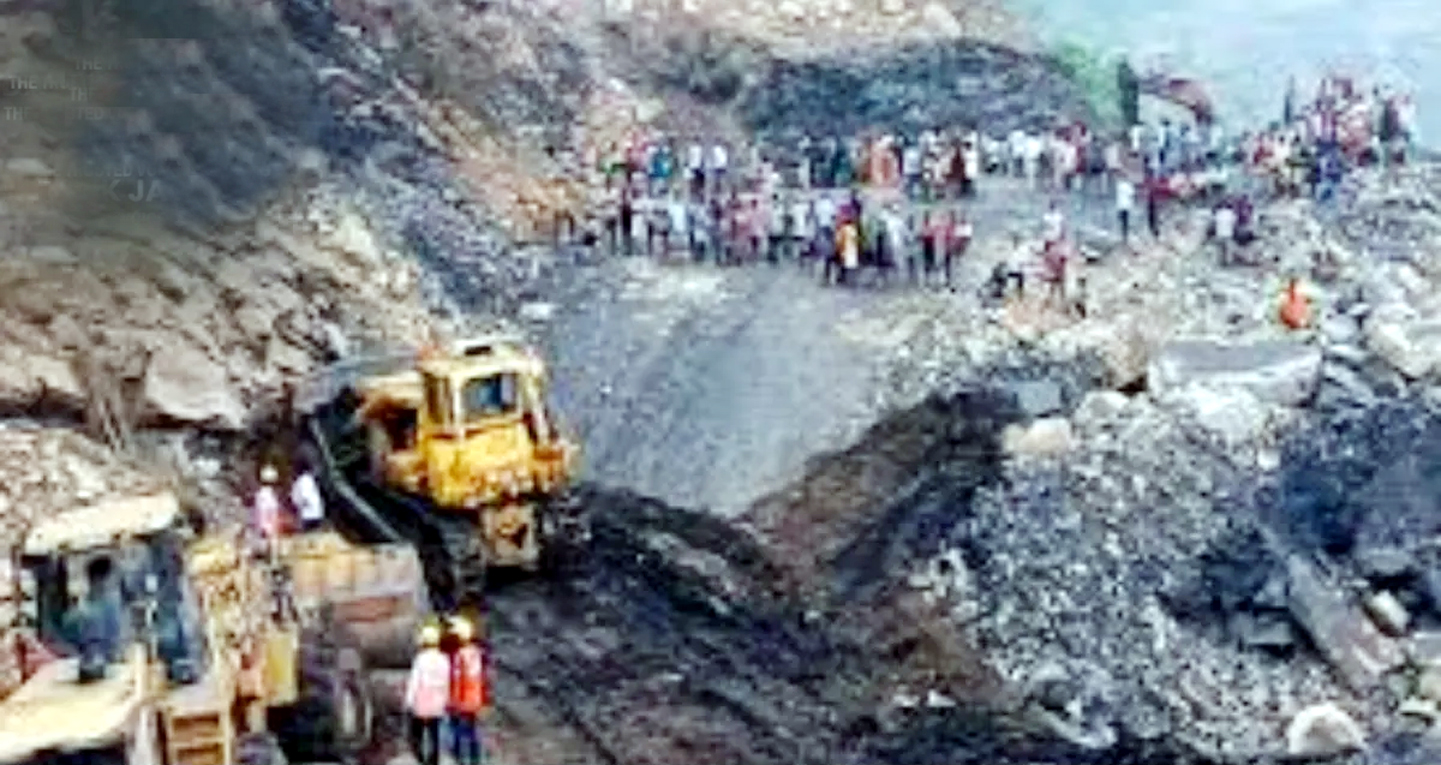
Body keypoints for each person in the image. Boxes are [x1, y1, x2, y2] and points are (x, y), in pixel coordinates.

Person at [65, 556, 124, 682]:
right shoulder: (85, 611)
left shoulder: (85, 608)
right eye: (112, 578)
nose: (114, 583)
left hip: (107, 664)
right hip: (99, 664)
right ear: (100, 579)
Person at [448, 616, 490, 765]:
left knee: (458, 729)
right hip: (475, 699)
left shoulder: (460, 656)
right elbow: (481, 678)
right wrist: (483, 699)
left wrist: (453, 701)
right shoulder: (477, 653)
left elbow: (458, 680)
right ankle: (475, 757)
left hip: (462, 699)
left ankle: (459, 757)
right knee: (473, 730)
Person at [406, 623, 450, 765]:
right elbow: (447, 681)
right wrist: (446, 700)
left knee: (417, 730)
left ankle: (420, 756)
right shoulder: (444, 659)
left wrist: (409, 700)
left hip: (422, 700)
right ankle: (433, 759)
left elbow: (415, 681)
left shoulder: (421, 659)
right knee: (434, 732)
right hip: (438, 700)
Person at [290, 460, 325, 532]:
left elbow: (305, 496)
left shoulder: (303, 480)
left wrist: (298, 504)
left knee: (308, 534)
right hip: (316, 513)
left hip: (307, 515)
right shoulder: (309, 479)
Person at [253, 465, 284, 543]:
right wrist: (265, 529)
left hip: (271, 530)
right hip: (266, 532)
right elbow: (262, 512)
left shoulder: (269, 494)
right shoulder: (264, 495)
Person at [1114, 173, 1134, 245]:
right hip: (1126, 206)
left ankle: (1122, 236)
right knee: (1125, 222)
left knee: (1121, 221)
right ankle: (1125, 236)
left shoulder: (1118, 185)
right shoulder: (1128, 185)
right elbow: (1132, 194)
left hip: (1120, 206)